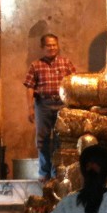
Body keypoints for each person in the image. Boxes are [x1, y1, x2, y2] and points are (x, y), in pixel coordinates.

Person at [24, 33, 77, 180]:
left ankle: (58, 173)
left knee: (61, 139)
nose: (52, 48)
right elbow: (29, 87)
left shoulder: (66, 63)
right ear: (42, 48)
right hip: (43, 105)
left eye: (54, 45)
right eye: (48, 45)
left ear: (58, 46)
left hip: (63, 106)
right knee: (42, 140)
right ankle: (44, 172)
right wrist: (30, 108)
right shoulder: (36, 65)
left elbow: (74, 82)